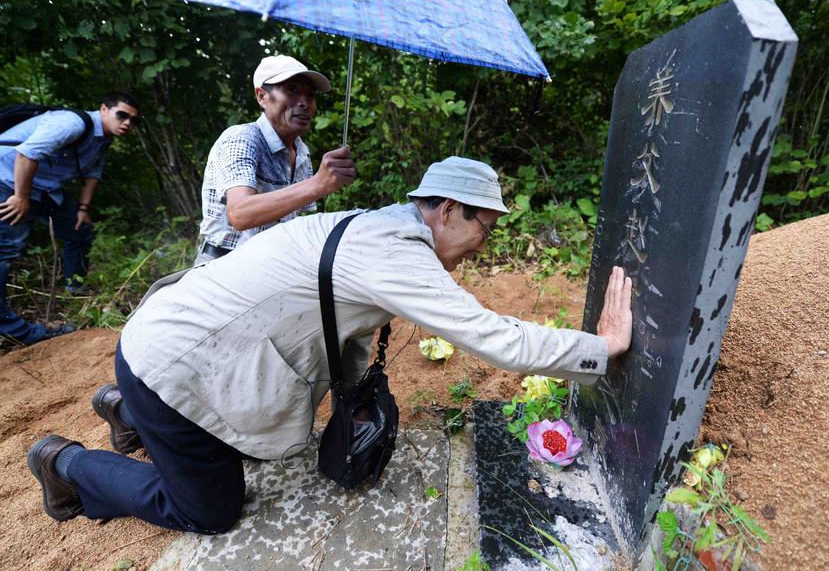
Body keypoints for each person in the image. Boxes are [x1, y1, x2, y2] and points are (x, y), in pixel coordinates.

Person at [27, 157, 633, 533]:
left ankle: (127, 412)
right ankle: (68, 464)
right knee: (208, 512)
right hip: (171, 368)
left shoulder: (371, 225)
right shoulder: (396, 253)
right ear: (448, 210)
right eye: (484, 227)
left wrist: (353, 391)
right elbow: (495, 337)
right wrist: (600, 349)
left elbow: (343, 325)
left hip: (165, 343)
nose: (482, 243)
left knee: (220, 430)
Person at [0, 92, 140, 346]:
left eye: (133, 120)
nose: (128, 123)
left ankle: (76, 288)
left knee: (79, 230)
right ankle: (12, 331)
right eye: (122, 115)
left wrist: (83, 208)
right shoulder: (71, 123)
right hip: (8, 180)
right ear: (104, 109)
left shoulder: (102, 140)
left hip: (44, 189)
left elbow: (92, 174)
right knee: (6, 251)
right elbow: (26, 155)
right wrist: (21, 197)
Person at [195, 55, 357, 264]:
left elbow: (292, 222)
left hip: (272, 268)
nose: (304, 103)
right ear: (262, 96)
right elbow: (240, 214)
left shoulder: (301, 152)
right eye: (292, 90)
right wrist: (318, 184)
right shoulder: (242, 138)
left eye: (310, 95)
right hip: (222, 267)